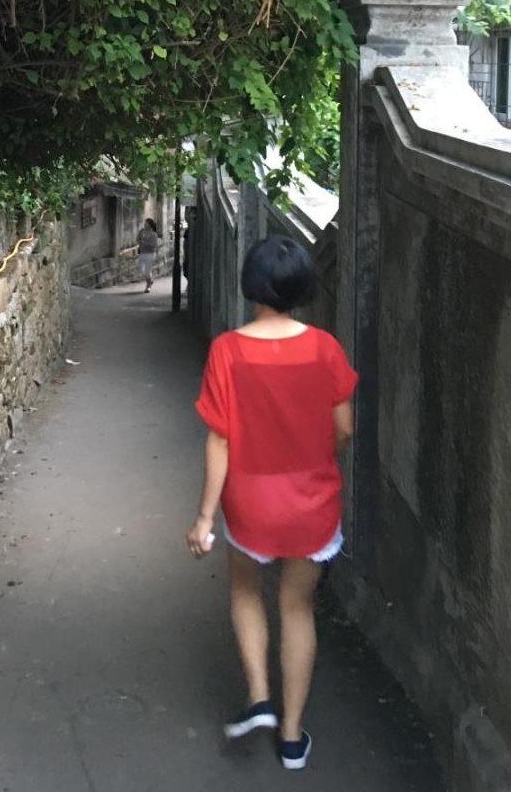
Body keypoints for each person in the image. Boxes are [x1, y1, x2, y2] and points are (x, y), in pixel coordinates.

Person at [185, 234, 356, 772]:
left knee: (245, 589)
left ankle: (259, 696)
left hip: (250, 502)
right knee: (297, 607)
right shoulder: (326, 349)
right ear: (302, 286)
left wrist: (204, 517)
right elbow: (344, 430)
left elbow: (220, 439)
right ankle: (291, 736)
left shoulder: (227, 351)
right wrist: (311, 458)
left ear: (251, 284)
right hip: (312, 503)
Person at [135, 218, 159, 292]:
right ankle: (150, 280)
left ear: (150, 225)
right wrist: (140, 242)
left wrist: (145, 243)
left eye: (146, 223)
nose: (145, 225)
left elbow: (154, 245)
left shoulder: (154, 234)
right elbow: (137, 239)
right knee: (141, 270)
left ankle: (148, 286)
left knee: (147, 271)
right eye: (145, 223)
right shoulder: (142, 231)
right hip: (142, 253)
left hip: (150, 254)